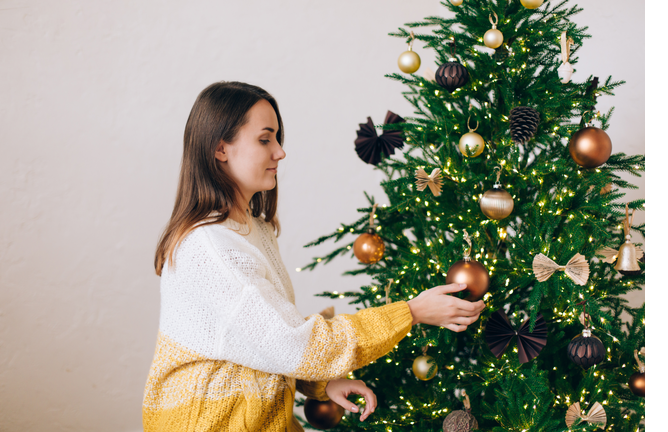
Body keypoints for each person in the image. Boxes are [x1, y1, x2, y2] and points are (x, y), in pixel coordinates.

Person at [143, 81, 486, 432]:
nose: (280, 152)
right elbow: (294, 344)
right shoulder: (210, 249)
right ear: (220, 149)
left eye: (278, 139)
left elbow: (262, 340)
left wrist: (320, 384)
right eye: (265, 139)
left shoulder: (254, 230)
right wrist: (410, 312)